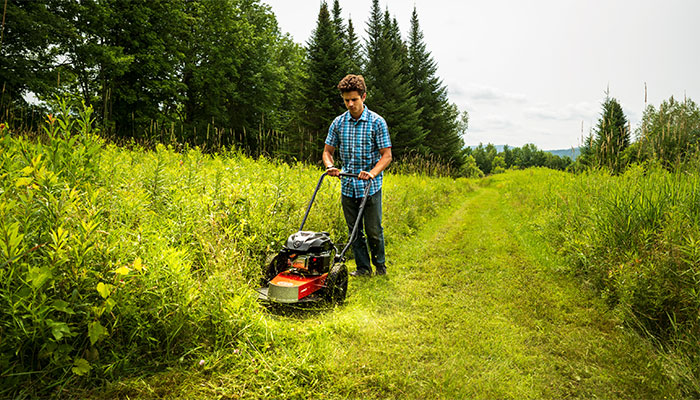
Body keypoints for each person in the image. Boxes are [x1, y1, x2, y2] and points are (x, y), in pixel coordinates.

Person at [323, 74, 392, 277]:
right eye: (346, 100)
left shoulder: (377, 122)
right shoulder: (338, 123)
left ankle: (380, 266)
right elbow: (327, 151)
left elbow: (386, 156)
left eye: (354, 99)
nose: (350, 104)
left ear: (364, 96)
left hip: (371, 186)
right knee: (354, 232)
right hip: (348, 185)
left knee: (373, 230)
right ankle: (363, 269)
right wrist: (330, 166)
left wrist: (371, 173)